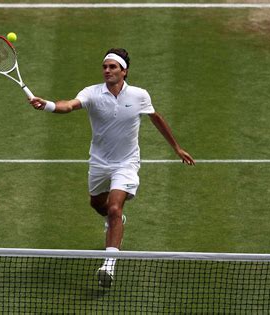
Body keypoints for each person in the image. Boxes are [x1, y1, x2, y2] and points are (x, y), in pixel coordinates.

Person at [28, 48, 195, 288]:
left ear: (124, 71)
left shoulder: (139, 95)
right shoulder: (92, 93)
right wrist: (49, 105)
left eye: (112, 67)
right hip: (99, 162)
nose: (107, 70)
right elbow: (69, 105)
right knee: (98, 204)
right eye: (105, 67)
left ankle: (109, 264)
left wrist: (176, 148)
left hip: (126, 163)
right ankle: (113, 221)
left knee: (115, 208)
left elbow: (155, 118)